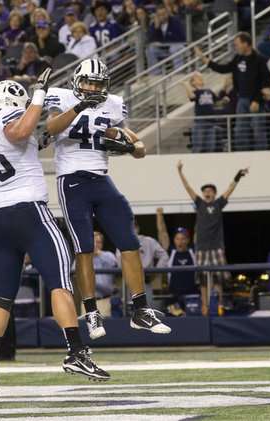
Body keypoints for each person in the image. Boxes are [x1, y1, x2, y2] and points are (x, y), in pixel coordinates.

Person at [0, 73, 109, 393]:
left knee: (2, 294)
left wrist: (75, 110)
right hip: (30, 211)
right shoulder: (12, 118)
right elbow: (20, 130)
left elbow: (37, 137)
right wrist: (38, 96)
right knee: (60, 282)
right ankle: (75, 351)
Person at [45, 58, 171, 340]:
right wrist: (80, 107)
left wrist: (133, 147)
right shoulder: (62, 97)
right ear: (76, 82)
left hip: (101, 178)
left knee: (129, 240)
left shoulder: (112, 103)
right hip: (72, 179)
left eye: (97, 84)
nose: (92, 88)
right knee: (84, 248)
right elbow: (51, 128)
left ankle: (140, 309)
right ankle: (90, 312)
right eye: (87, 82)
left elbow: (136, 143)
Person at [177, 160, 248, 316]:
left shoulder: (218, 204)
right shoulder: (199, 203)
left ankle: (220, 303)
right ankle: (204, 305)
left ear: (214, 194)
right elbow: (188, 188)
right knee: (203, 279)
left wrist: (238, 176)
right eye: (205, 191)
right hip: (202, 247)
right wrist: (180, 172)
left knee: (218, 278)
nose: (207, 193)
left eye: (210, 191)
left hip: (216, 247)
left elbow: (230, 189)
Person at [195, 32, 270, 151]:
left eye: (237, 44)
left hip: (255, 101)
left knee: (258, 130)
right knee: (240, 131)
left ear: (246, 44)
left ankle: (262, 156)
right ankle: (243, 156)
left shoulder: (260, 60)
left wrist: (257, 99)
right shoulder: (238, 58)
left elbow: (265, 82)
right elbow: (223, 68)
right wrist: (205, 60)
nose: (235, 47)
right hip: (241, 100)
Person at [116, 219, 169, 307]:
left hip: (145, 281)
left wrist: (155, 271)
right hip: (129, 282)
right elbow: (119, 264)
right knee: (129, 310)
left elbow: (164, 256)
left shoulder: (149, 241)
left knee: (146, 309)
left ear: (137, 228)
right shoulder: (121, 241)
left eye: (133, 227)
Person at [146, 5, 186, 73]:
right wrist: (156, 28)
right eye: (160, 15)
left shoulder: (175, 21)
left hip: (177, 47)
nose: (162, 16)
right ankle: (156, 74)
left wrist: (164, 42)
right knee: (150, 50)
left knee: (174, 48)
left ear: (167, 13)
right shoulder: (154, 24)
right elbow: (150, 40)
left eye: (164, 14)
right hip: (163, 50)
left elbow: (181, 37)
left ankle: (179, 73)